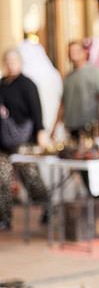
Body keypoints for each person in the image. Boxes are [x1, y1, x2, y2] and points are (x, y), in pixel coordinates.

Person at [0, 49, 50, 231]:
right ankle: (4, 218)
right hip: (3, 142)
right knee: (2, 179)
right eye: (8, 60)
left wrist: (40, 132)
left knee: (31, 177)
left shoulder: (27, 84)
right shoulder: (2, 84)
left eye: (14, 60)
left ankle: (47, 206)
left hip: (23, 139)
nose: (11, 64)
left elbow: (36, 110)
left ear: (20, 62)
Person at [51, 40, 99, 140]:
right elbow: (63, 104)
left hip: (90, 126)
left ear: (84, 53)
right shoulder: (67, 77)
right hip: (71, 127)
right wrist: (54, 128)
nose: (73, 54)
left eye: (76, 51)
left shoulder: (95, 72)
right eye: (70, 52)